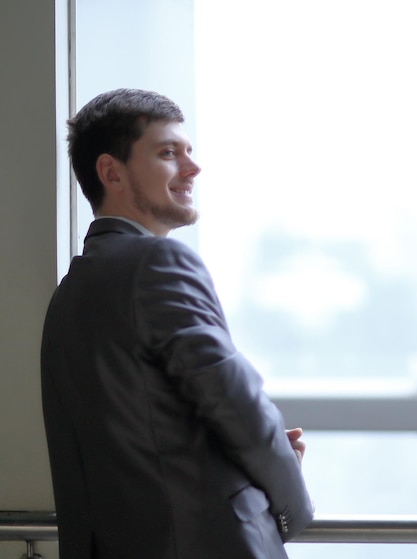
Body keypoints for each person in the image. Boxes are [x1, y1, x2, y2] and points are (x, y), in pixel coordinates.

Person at [41, 88, 314, 559]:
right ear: (111, 172)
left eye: (189, 152)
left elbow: (146, 443)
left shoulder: (70, 293)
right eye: (168, 153)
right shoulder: (158, 262)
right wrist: (291, 508)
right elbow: (238, 405)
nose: (193, 168)